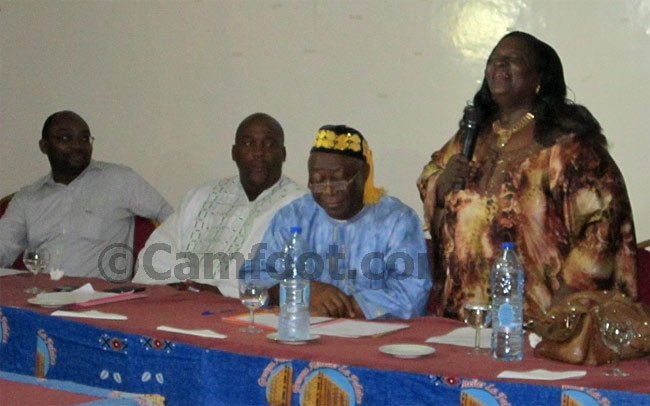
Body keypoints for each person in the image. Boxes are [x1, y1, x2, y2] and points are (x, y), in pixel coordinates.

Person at [417, 31, 638, 322]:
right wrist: (443, 181)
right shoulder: (471, 136)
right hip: (465, 315)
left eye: (513, 59)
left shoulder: (569, 146)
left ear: (539, 78)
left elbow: (601, 228)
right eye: (493, 60)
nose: (498, 65)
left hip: (543, 317)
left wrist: (562, 307)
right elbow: (430, 176)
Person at [254, 125, 431, 320]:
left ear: (364, 173)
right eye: (318, 180)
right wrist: (302, 291)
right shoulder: (293, 216)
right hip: (302, 327)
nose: (328, 190)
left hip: (372, 333)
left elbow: (412, 295)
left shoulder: (397, 221)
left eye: (339, 180)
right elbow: (254, 279)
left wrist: (337, 307)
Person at [132, 113, 305, 297]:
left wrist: (222, 293)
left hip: (245, 309)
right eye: (248, 143)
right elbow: (157, 252)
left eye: (268, 144)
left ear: (283, 154)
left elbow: (294, 279)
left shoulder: (302, 207)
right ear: (234, 153)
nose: (258, 153)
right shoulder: (201, 196)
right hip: (179, 303)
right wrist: (173, 285)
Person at [0, 110, 173, 278]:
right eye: (65, 138)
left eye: (84, 139)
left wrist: (156, 270)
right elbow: (4, 246)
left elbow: (171, 218)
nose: (77, 146)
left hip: (100, 293)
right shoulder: (27, 198)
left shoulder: (120, 180)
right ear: (44, 146)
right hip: (41, 292)